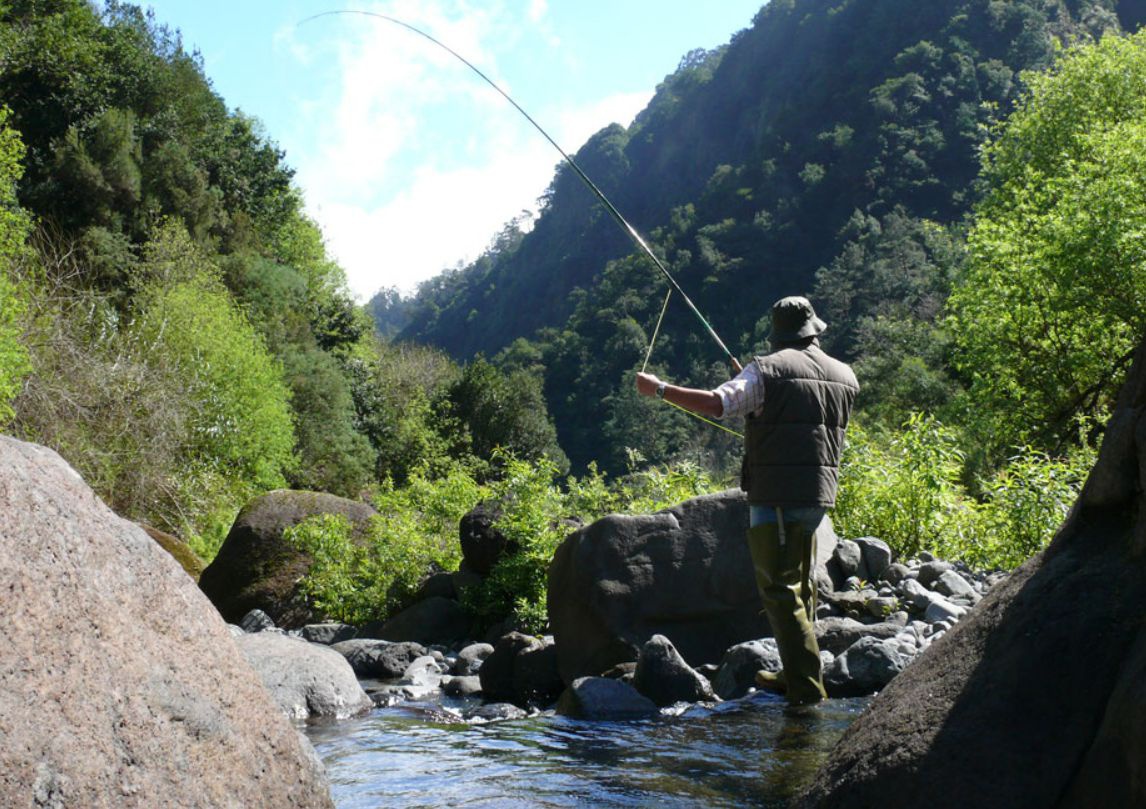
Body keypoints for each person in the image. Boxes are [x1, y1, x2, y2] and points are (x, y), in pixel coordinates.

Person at [635, 295, 858, 705]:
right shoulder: (845, 375)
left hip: (777, 495)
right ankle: (797, 671)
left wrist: (660, 389)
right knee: (801, 585)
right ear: (814, 330)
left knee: (779, 590)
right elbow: (802, 410)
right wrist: (758, 389)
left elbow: (718, 404)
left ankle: (806, 690)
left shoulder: (767, 370)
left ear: (778, 334)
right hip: (820, 495)